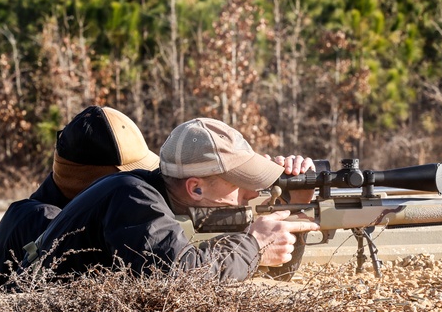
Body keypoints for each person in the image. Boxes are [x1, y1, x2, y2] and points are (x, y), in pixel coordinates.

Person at [19, 117, 320, 282]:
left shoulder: (167, 201)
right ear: (195, 188)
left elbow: (270, 274)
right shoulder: (133, 197)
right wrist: (254, 246)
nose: (254, 194)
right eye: (241, 184)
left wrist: (292, 206)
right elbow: (182, 276)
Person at [0, 105, 159, 291]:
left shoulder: (33, 211)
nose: (141, 190)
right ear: (101, 182)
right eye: (131, 182)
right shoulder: (43, 220)